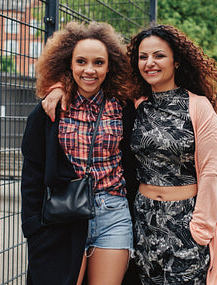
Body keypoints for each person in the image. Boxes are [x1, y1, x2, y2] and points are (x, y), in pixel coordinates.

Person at [43, 24, 217, 284]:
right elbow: (90, 82)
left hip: (185, 222)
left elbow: (211, 172)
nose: (149, 63)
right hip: (143, 220)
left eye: (159, 56)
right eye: (143, 57)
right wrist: (58, 87)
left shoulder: (199, 107)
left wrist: (201, 228)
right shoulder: (135, 103)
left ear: (176, 61)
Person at [21, 21, 138, 285]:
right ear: (69, 64)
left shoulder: (123, 107)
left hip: (113, 214)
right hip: (62, 216)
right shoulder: (49, 110)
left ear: (110, 66)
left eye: (98, 62)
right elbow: (32, 172)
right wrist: (32, 228)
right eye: (81, 61)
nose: (89, 70)